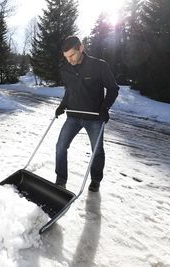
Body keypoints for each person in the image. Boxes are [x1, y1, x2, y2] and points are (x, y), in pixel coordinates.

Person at [55, 36, 119, 192]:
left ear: (81, 48)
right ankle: (60, 180)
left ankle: (96, 180)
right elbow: (69, 91)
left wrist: (104, 108)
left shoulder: (99, 66)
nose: (69, 60)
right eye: (66, 57)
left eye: (72, 55)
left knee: (97, 151)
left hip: (94, 118)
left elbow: (113, 89)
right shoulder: (66, 69)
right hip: (74, 116)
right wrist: (62, 105)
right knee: (60, 146)